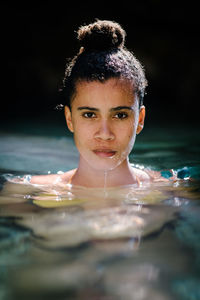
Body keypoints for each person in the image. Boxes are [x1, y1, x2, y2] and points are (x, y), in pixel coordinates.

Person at [30, 19, 167, 188]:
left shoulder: (170, 191)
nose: (105, 134)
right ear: (69, 119)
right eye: (89, 114)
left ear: (140, 120)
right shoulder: (31, 192)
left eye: (120, 115)